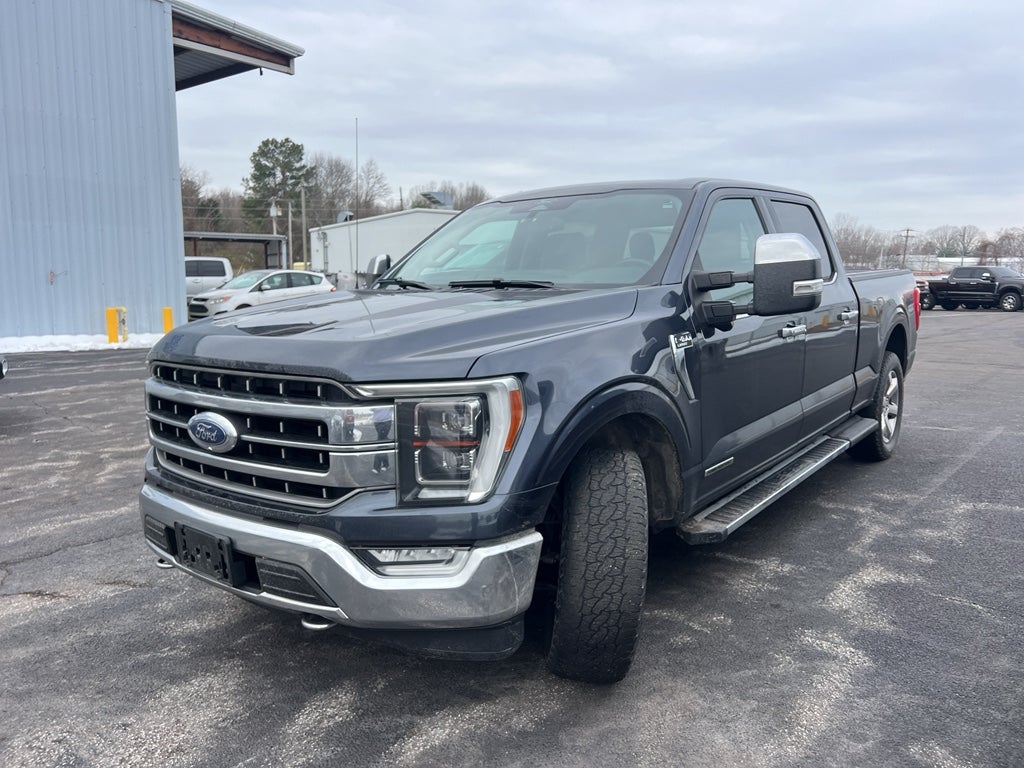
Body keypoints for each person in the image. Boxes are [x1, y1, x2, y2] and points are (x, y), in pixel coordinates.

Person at [372, 406, 392, 473]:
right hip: (377, 422)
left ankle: (376, 467)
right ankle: (386, 464)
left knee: (380, 443)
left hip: (386, 421)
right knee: (383, 442)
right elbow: (371, 408)